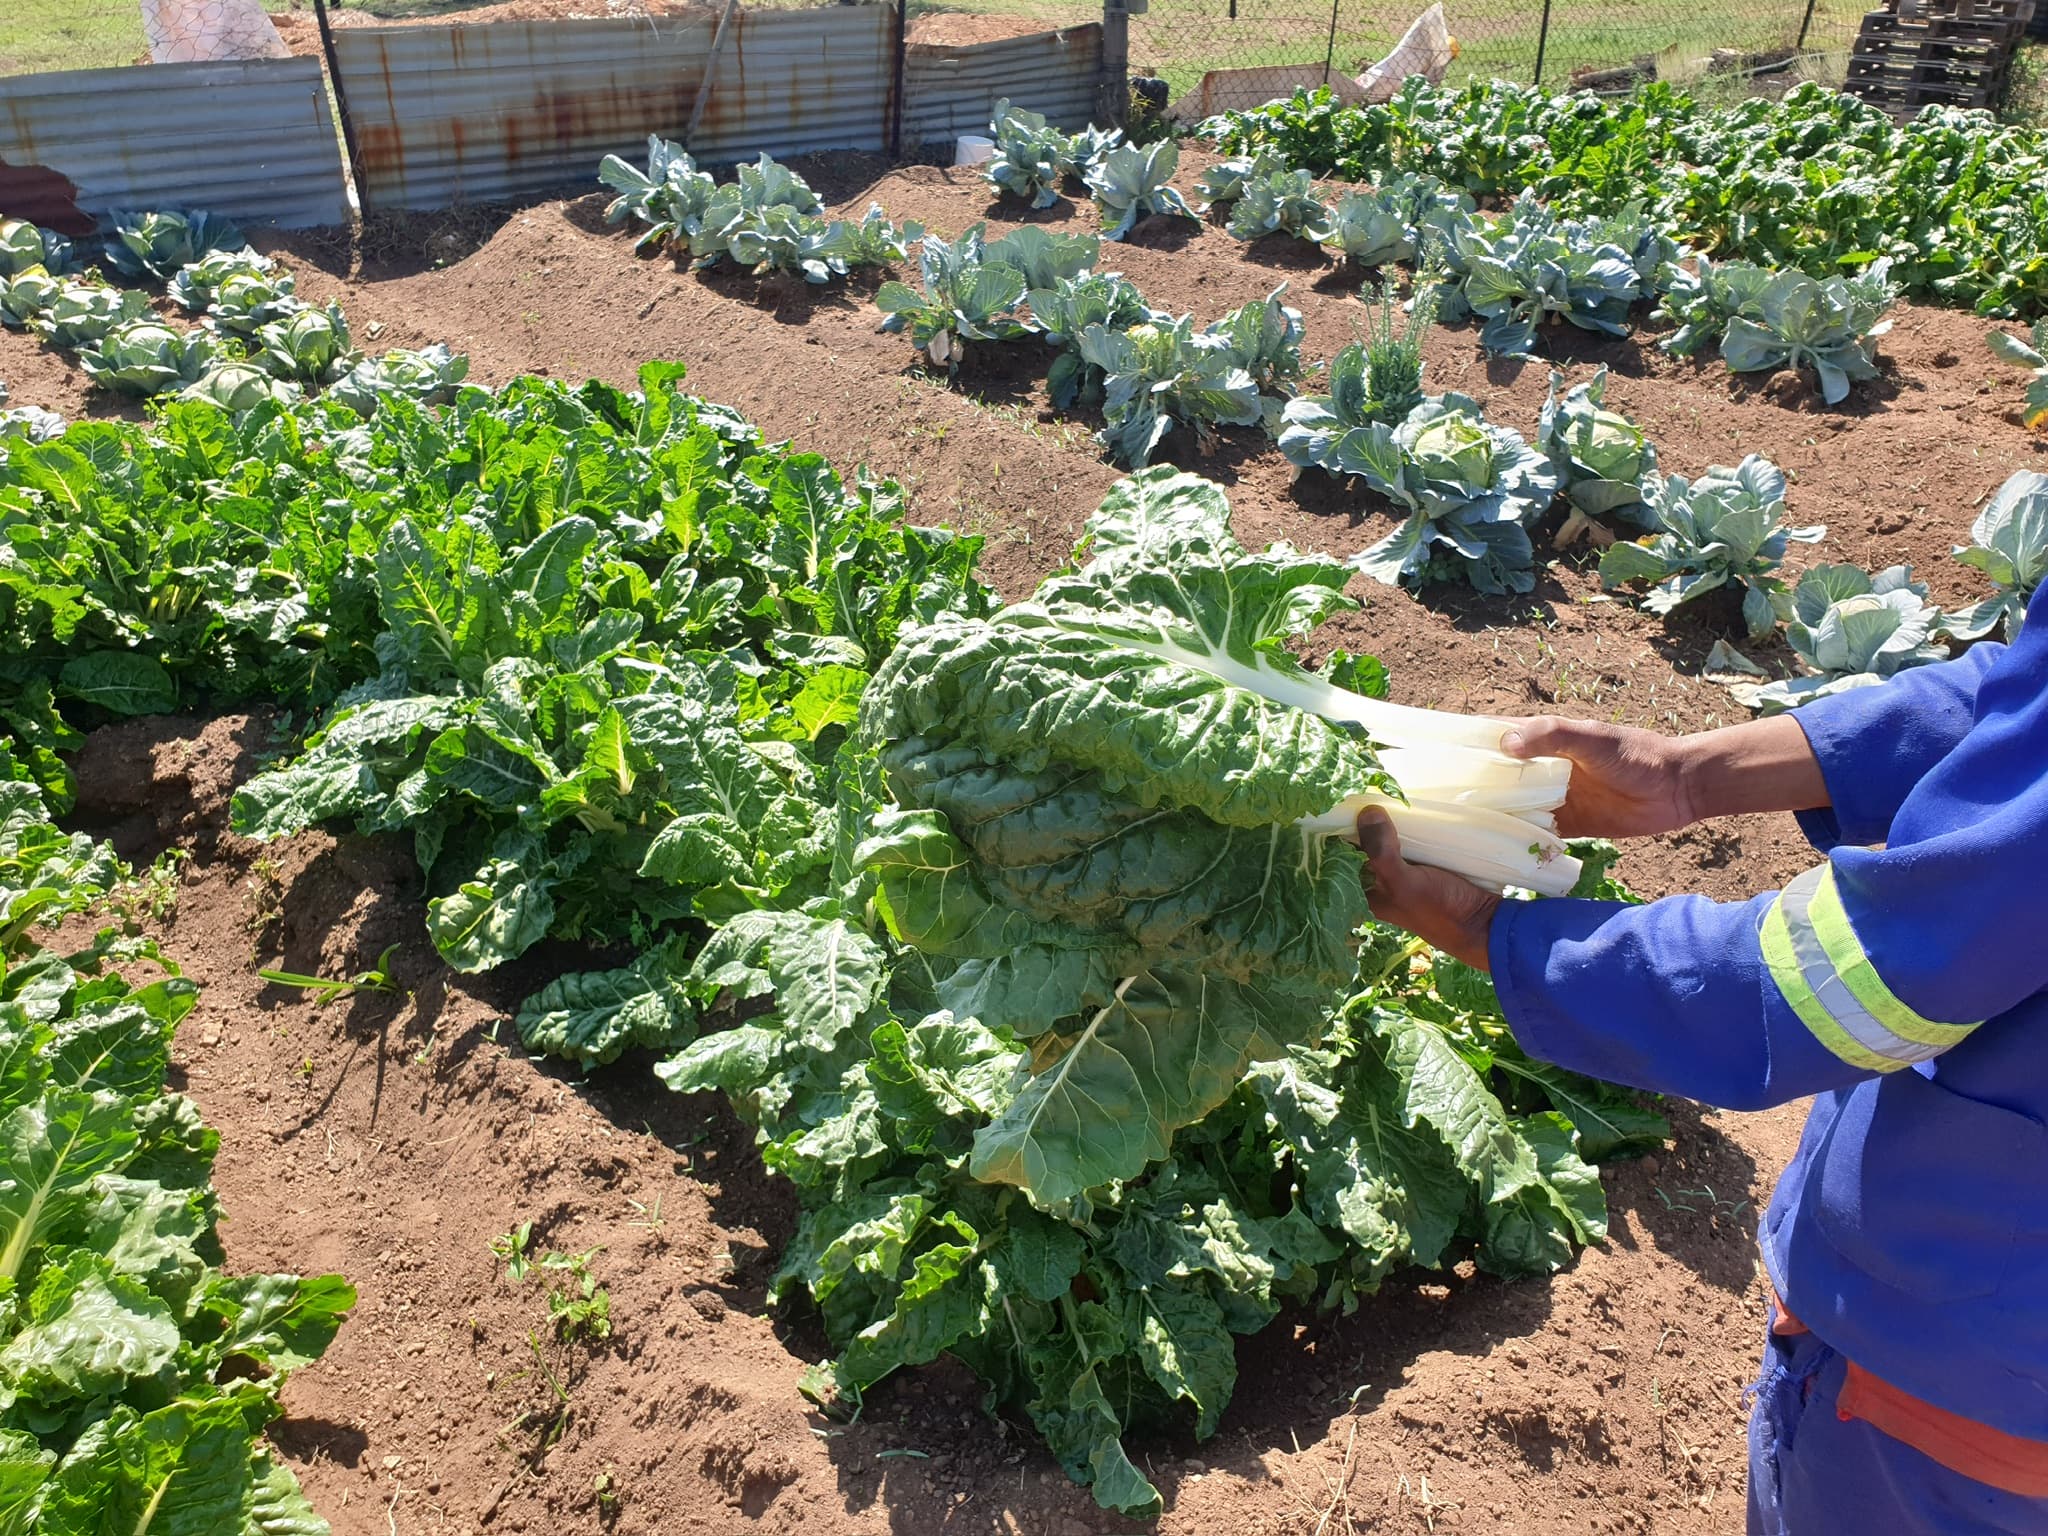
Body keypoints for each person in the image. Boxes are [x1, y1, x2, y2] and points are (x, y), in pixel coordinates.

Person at [1352, 601, 2048, 1536]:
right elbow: (2013, 704)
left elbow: (1843, 984)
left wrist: (1496, 935)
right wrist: (1690, 774)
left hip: (1971, 1390)